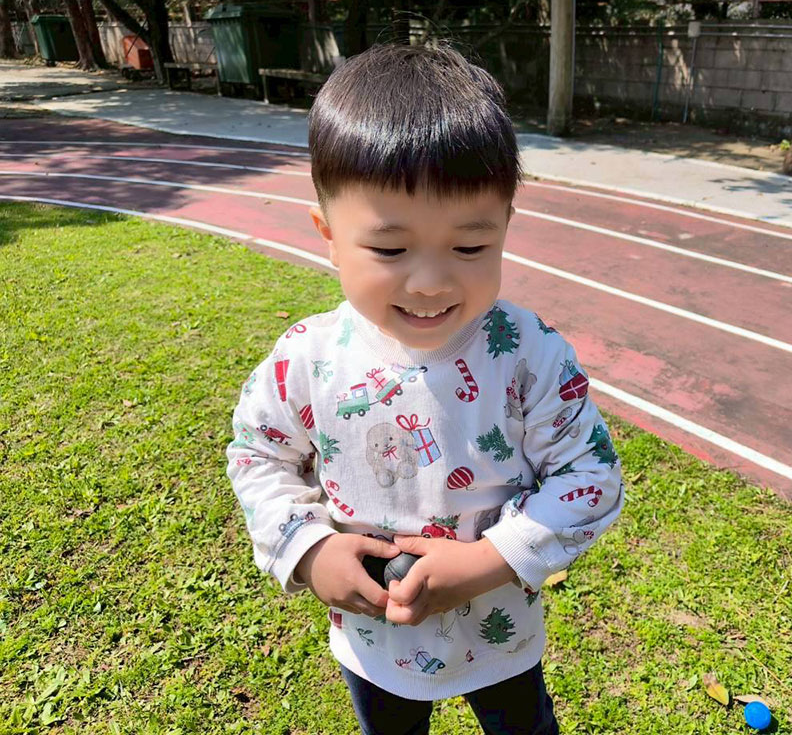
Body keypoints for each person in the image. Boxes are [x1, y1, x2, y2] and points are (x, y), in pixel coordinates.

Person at [225, 41, 625, 735]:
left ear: (505, 228)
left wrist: (490, 560)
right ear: (328, 235)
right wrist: (309, 550)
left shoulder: (528, 354)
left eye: (470, 247)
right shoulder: (306, 358)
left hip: (499, 635)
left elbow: (591, 475)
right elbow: (257, 454)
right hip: (374, 640)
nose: (432, 282)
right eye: (389, 249)